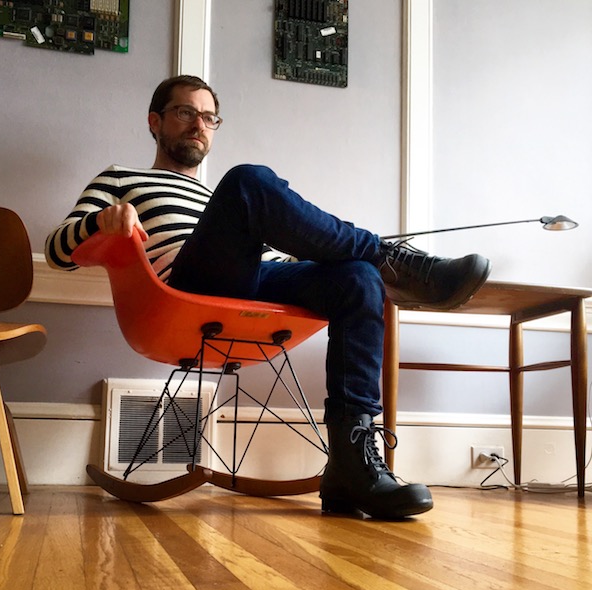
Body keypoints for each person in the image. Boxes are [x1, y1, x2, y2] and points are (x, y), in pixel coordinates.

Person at [46, 75, 491, 520]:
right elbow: (57, 252)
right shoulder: (123, 178)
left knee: (357, 278)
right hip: (178, 294)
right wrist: (103, 220)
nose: (199, 124)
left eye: (208, 117)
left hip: (251, 278)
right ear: (155, 122)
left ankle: (352, 466)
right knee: (249, 180)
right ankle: (396, 262)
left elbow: (267, 261)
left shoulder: (217, 197)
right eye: (185, 112)